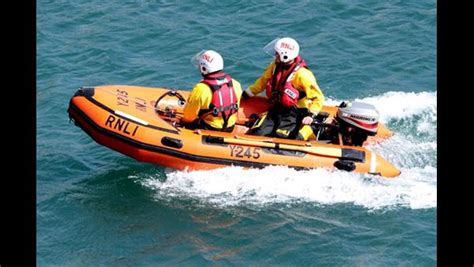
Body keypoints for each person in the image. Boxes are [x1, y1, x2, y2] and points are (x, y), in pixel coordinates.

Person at [242, 37, 325, 140]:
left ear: (285, 56)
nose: (275, 56)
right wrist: (246, 94)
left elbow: (318, 97)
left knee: (282, 137)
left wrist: (310, 115)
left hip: (294, 112)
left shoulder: (303, 74)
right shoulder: (274, 66)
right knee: (258, 133)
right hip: (276, 108)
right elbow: (262, 82)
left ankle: (309, 130)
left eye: (277, 53)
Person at [183, 50, 243, 132]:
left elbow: (188, 116)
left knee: (185, 123)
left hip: (209, 127)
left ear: (204, 68)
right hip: (230, 127)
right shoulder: (235, 84)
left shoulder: (201, 88)